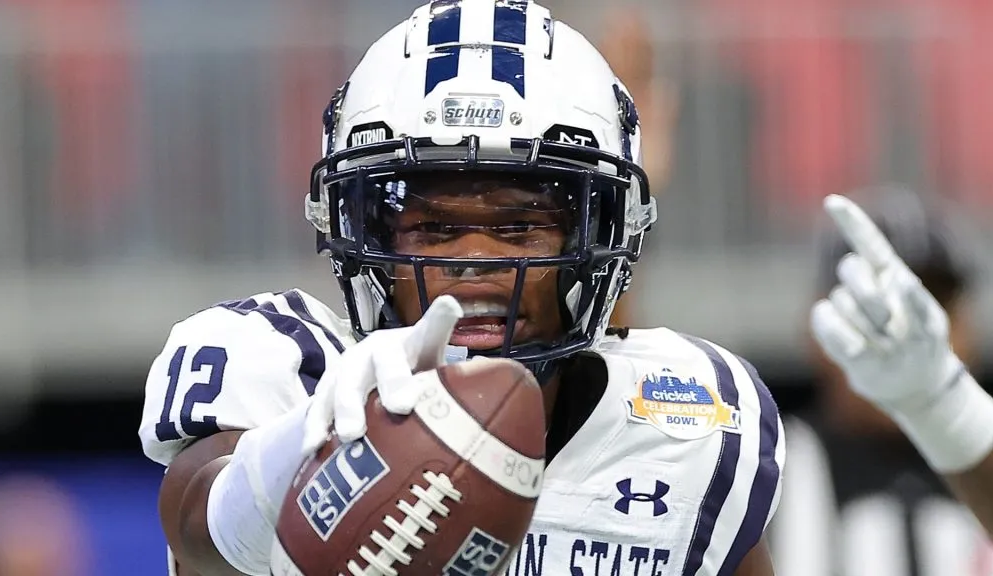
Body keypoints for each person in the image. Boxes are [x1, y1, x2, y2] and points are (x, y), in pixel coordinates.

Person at [139, 1, 785, 575]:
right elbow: (195, 526)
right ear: (362, 230)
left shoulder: (691, 425)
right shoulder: (290, 371)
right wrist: (297, 456)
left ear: (597, 236)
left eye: (519, 225)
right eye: (434, 226)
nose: (475, 261)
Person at [781, 189, 993, 574]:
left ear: (970, 324)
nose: (899, 329)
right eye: (872, 307)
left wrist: (942, 405)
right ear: (812, 330)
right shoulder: (762, 464)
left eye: (930, 301)